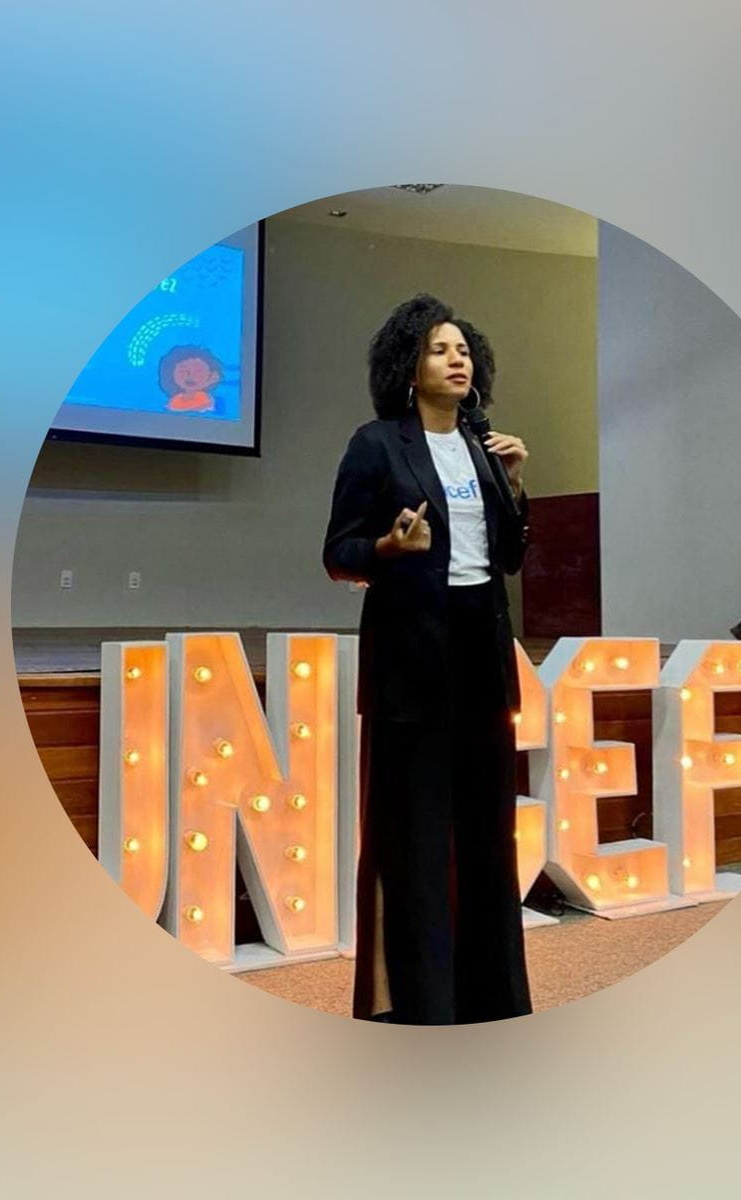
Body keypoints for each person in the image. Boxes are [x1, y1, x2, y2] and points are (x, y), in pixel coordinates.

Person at [322, 293, 533, 1025]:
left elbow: (507, 557)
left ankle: (492, 1003)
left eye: (464, 350)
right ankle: (416, 1009)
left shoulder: (484, 448)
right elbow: (337, 554)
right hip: (412, 656)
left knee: (487, 833)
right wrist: (388, 548)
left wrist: (512, 484)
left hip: (481, 647)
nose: (457, 360)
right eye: (440, 350)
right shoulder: (377, 444)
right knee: (414, 838)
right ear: (408, 368)